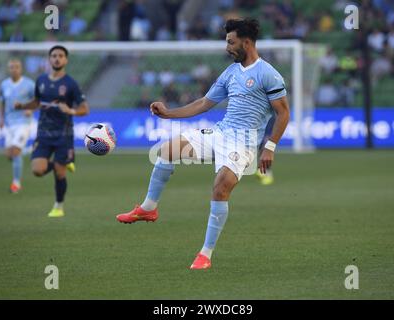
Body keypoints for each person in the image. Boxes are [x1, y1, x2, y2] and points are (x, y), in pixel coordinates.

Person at [116, 18, 290, 269]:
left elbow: (283, 113)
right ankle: (148, 208)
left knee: (221, 187)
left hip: (243, 144)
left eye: (231, 42)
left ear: (247, 42)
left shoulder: (268, 74)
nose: (227, 47)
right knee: (166, 150)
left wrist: (270, 147)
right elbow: (203, 103)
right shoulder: (230, 73)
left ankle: (205, 254)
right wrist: (168, 113)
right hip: (220, 133)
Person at [15, 45, 89, 217]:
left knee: (60, 171)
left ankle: (58, 206)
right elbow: (36, 102)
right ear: (49, 59)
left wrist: (71, 111)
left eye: (60, 56)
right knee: (37, 170)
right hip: (44, 133)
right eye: (54, 55)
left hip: (64, 134)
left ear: (66, 60)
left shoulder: (71, 84)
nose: (57, 58)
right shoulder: (41, 80)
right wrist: (22, 106)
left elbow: (85, 109)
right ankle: (64, 162)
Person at [0, 58, 35, 193]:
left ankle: (16, 183)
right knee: (9, 155)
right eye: (12, 67)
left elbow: (37, 100)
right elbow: (1, 102)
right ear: (9, 69)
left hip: (23, 123)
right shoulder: (4, 85)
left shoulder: (29, 84)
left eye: (17, 67)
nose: (14, 69)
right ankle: (30, 150)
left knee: (15, 151)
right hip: (9, 122)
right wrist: (0, 119)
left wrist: (30, 109)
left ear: (21, 69)